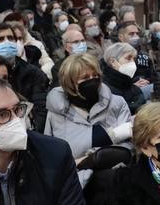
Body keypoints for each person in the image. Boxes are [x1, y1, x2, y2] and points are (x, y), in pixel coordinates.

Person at [45, 52, 134, 186]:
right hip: (74, 184)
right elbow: (51, 155)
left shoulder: (117, 103)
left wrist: (87, 160)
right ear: (70, 82)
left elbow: (127, 148)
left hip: (115, 178)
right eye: (85, 78)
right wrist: (110, 137)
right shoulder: (55, 112)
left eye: (96, 76)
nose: (92, 80)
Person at [0, 22, 51, 132]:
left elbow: (41, 111)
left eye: (10, 38)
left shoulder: (33, 73)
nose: (7, 42)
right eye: (0, 39)